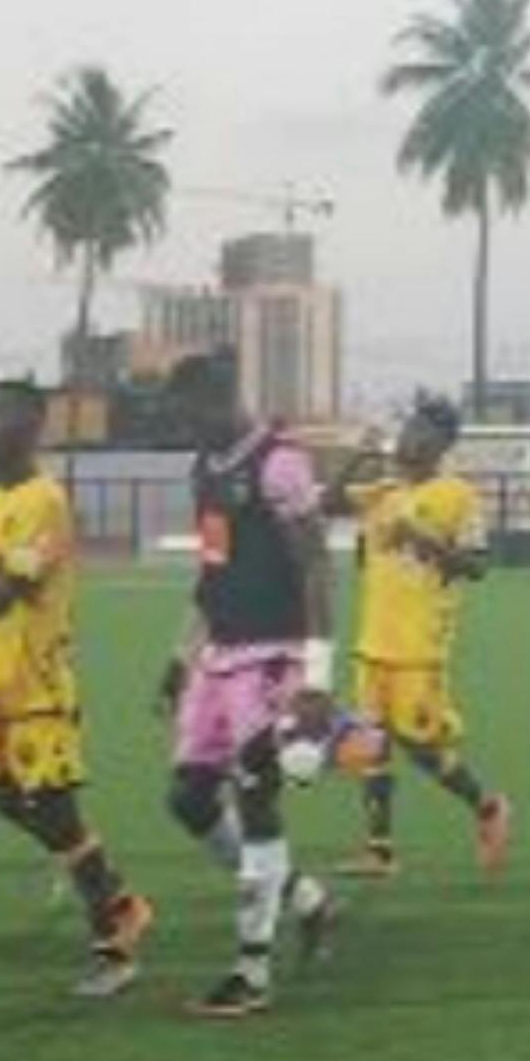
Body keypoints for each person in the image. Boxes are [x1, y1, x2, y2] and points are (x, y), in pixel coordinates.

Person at [0, 381, 152, 996]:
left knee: (61, 825)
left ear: (31, 429)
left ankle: (117, 931)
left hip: (32, 693)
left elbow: (8, 592)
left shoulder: (43, 499)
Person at [158, 356, 336, 1020]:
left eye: (186, 414)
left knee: (257, 799)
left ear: (220, 399)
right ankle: (307, 899)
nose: (181, 429)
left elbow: (315, 565)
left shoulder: (279, 464)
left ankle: (250, 972)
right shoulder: (206, 469)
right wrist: (181, 656)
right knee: (187, 798)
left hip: (273, 657)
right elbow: (212, 568)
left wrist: (316, 678)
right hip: (218, 656)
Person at [341, 400, 513, 879]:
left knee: (419, 746)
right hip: (372, 640)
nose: (407, 437)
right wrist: (359, 456)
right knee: (371, 743)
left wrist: (423, 538)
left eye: (418, 430)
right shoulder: (383, 490)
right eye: (407, 427)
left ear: (440, 444)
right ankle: (379, 850)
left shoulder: (458, 496)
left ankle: (487, 806)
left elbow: (478, 566)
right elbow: (328, 503)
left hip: (419, 645)